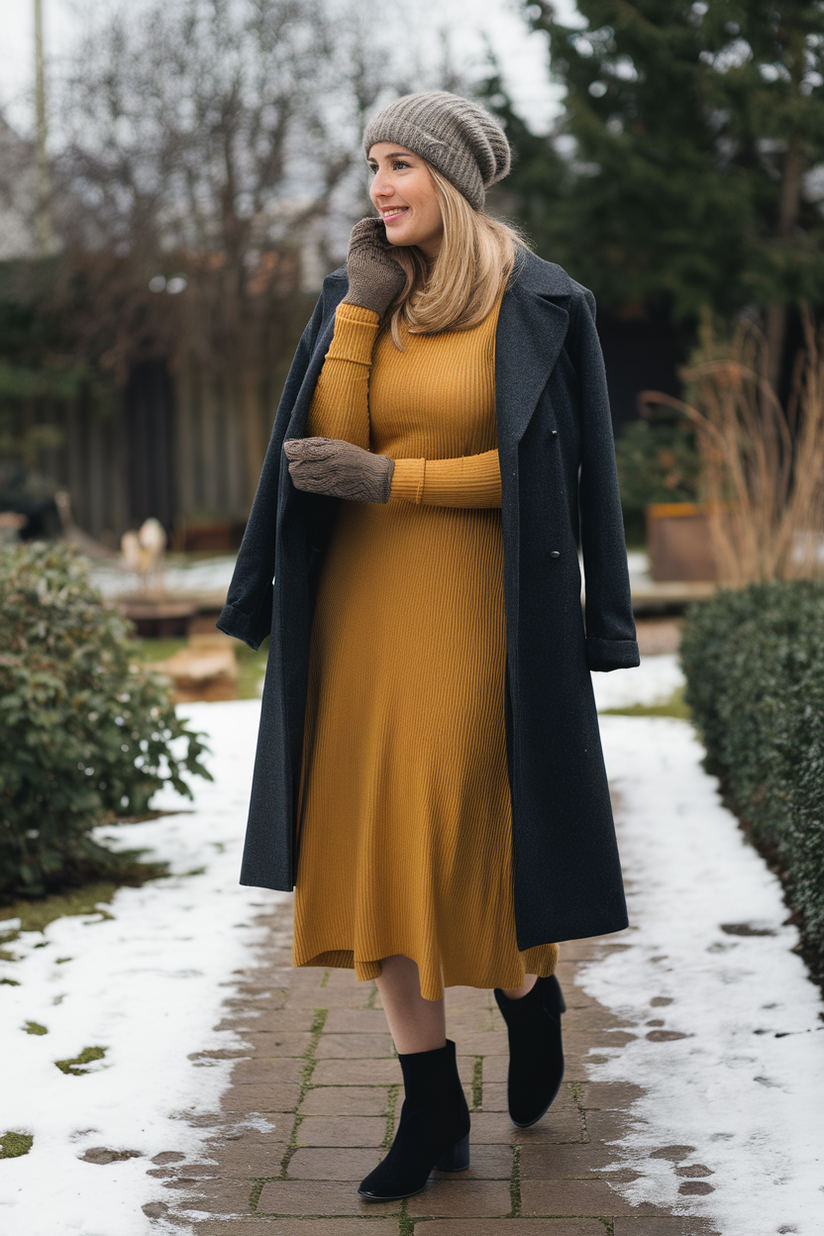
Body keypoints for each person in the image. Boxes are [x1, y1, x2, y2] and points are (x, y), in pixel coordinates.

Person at [218, 90, 639, 1203]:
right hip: (359, 616)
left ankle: (526, 987)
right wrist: (357, 314)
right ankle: (430, 1099)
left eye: (398, 164)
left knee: (467, 832)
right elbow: (327, 452)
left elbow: (549, 482)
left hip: (480, 614)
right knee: (373, 850)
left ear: (447, 177)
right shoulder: (361, 298)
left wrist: (396, 482)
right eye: (371, 166)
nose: (378, 188)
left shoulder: (539, 302)